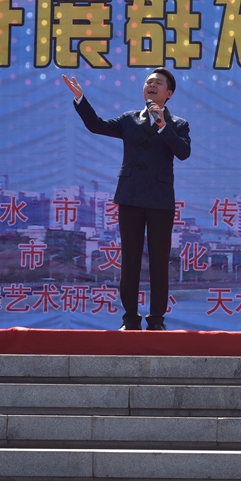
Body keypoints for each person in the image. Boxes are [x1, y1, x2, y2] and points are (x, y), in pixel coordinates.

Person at [62, 69, 191, 331]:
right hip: (130, 196)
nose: (152, 85)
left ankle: (156, 321)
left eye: (158, 83)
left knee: (158, 262)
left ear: (169, 93)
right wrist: (80, 99)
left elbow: (183, 152)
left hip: (160, 200)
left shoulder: (178, 124)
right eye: (149, 82)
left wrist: (162, 125)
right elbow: (96, 125)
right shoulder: (129, 119)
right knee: (130, 260)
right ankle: (130, 319)